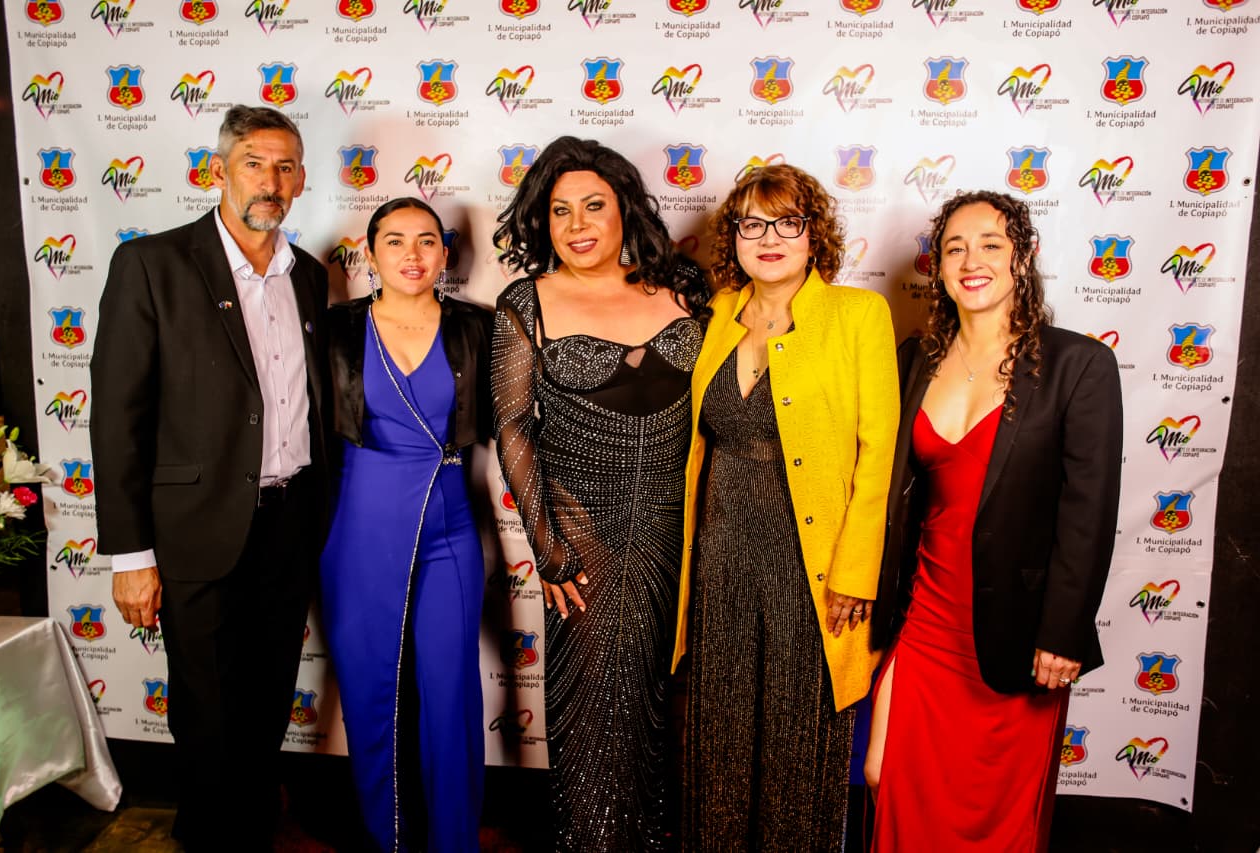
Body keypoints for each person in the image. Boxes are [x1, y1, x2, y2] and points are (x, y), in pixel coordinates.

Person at [90, 105, 328, 849]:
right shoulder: (152, 263)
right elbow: (118, 417)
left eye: (285, 166)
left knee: (268, 697)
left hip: (289, 522)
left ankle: (251, 829)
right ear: (217, 171)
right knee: (206, 708)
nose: (270, 181)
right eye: (254, 163)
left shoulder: (309, 275)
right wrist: (130, 557)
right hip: (195, 530)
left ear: (301, 180)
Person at [864, 190, 1122, 852]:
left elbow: (1089, 512)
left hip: (1019, 633)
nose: (970, 261)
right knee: (887, 778)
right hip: (925, 618)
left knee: (993, 818)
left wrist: (1063, 633)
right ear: (939, 266)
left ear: (1023, 257)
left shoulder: (1077, 365)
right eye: (954, 248)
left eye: (991, 244)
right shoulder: (914, 359)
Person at [489, 135, 710, 851]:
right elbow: (513, 427)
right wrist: (548, 550)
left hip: (676, 534)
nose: (577, 224)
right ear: (542, 221)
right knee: (590, 712)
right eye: (560, 211)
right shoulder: (528, 301)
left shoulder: (684, 287)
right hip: (583, 539)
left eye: (593, 205)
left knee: (656, 707)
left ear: (625, 210)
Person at [671, 164, 899, 851]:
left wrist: (856, 572)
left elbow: (879, 453)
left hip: (815, 567)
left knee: (800, 742)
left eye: (787, 222)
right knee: (719, 736)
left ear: (813, 233)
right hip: (719, 560)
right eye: (752, 224)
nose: (769, 238)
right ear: (733, 237)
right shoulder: (714, 315)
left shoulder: (858, 315)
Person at [321, 198, 491, 853]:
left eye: (426, 240)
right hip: (357, 528)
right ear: (369, 254)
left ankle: (454, 842)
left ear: (446, 254)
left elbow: (515, 423)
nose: (412, 255)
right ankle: (384, 837)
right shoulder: (335, 328)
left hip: (450, 527)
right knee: (369, 689)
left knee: (450, 694)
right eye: (394, 241)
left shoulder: (477, 327)